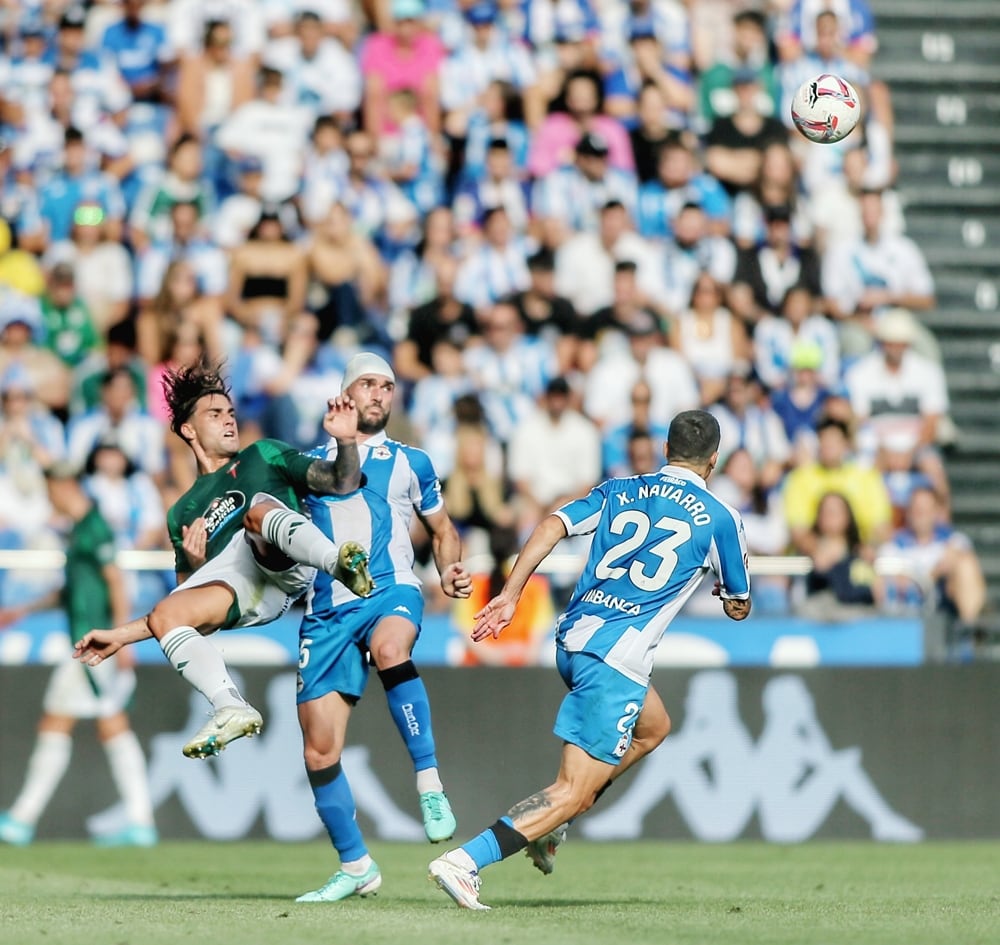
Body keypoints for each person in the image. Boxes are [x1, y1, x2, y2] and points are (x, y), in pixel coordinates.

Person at [428, 409, 752, 910]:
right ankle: (466, 860)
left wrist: (512, 594)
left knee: (653, 727)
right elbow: (738, 606)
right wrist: (725, 592)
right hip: (616, 659)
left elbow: (551, 524)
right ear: (715, 460)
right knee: (571, 791)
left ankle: (552, 827)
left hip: (574, 638)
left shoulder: (620, 489)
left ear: (665, 451)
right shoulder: (721, 518)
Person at [73, 361, 372, 759]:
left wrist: (347, 442)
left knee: (258, 513)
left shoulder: (263, 454)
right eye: (215, 414)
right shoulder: (182, 513)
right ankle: (229, 705)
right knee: (166, 615)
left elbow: (341, 481)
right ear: (188, 429)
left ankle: (340, 565)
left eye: (230, 413)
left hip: (286, 556)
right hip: (244, 588)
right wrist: (120, 633)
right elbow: (189, 611)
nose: (229, 421)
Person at [289, 353, 474, 900]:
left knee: (393, 649)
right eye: (368, 384)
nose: (379, 393)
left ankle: (429, 783)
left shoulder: (412, 462)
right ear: (345, 394)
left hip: (391, 589)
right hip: (325, 611)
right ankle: (355, 867)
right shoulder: (307, 465)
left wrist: (449, 568)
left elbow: (442, 529)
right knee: (319, 753)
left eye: (387, 386)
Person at [0, 466, 156, 848]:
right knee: (111, 726)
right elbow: (72, 591)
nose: (49, 501)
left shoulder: (95, 527)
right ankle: (140, 821)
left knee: (58, 721)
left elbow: (116, 583)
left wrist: (122, 639)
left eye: (49, 492)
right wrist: (25, 609)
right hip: (92, 642)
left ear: (62, 487)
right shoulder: (80, 531)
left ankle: (22, 818)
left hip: (94, 645)